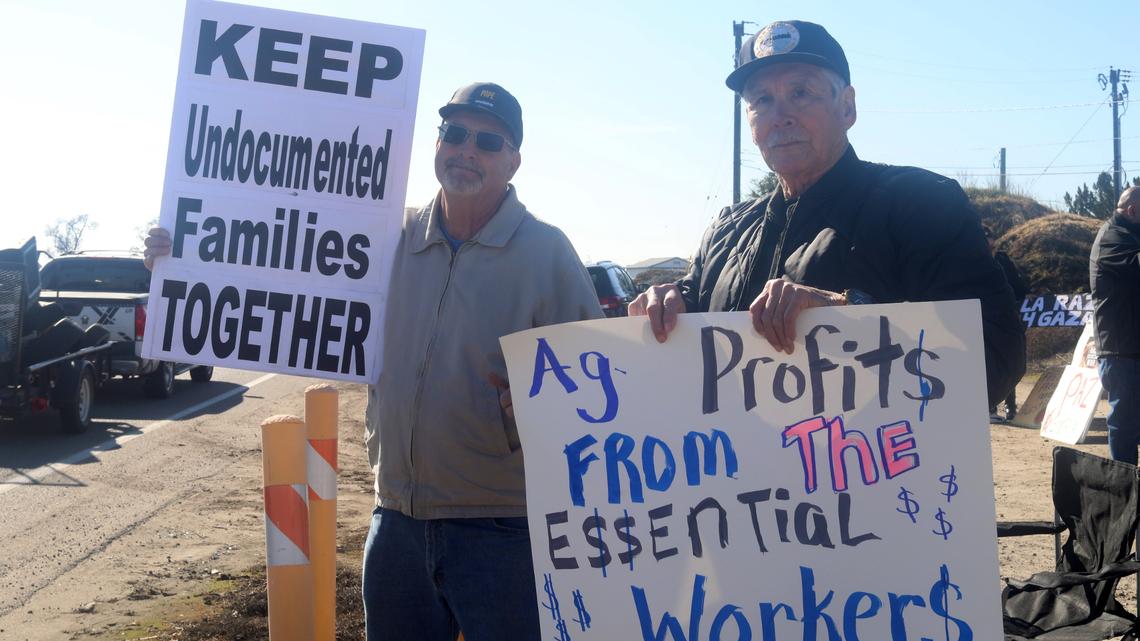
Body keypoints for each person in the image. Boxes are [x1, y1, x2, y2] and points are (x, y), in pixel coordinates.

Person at [145, 82, 603, 641]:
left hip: (503, 528)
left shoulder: (547, 253)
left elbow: (593, 388)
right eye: (454, 134)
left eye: (487, 141)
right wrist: (188, 259)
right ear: (437, 143)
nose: (466, 151)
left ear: (514, 161)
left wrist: (534, 409)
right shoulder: (384, 236)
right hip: (396, 522)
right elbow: (280, 268)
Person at [629, 20, 1026, 410]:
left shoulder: (921, 205)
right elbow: (688, 342)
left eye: (801, 92)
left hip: (871, 469)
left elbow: (995, 359)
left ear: (848, 107)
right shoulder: (726, 230)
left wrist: (846, 313)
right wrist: (669, 302)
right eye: (761, 100)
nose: (780, 115)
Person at [1090, 185, 1140, 464]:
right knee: (1124, 426)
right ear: (1132, 211)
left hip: (1132, 348)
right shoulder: (1112, 237)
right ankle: (1126, 490)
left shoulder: (1128, 234)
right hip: (1122, 351)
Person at [986, 226, 1028, 421]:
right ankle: (990, 408)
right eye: (987, 247)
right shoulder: (967, 263)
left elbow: (1020, 288)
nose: (991, 251)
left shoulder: (1003, 261)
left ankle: (1011, 408)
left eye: (993, 246)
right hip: (983, 321)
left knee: (1009, 363)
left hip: (1006, 318)